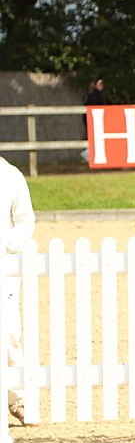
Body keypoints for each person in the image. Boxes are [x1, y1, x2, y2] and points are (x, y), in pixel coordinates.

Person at [0, 156, 36, 425]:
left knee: (10, 329)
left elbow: (25, 220)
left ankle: (18, 397)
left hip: (5, 267)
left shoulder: (11, 176)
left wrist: (6, 244)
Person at [82, 77, 106, 163]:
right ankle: (87, 153)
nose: (101, 86)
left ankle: (88, 154)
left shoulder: (95, 95)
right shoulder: (94, 96)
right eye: (100, 84)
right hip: (93, 121)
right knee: (95, 137)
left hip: (93, 120)